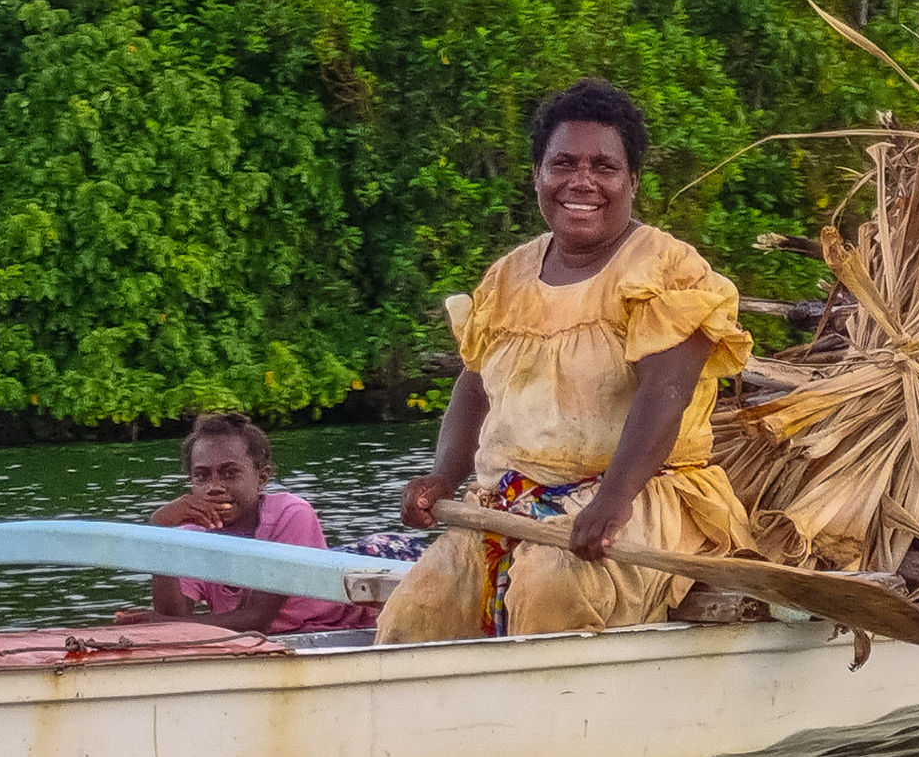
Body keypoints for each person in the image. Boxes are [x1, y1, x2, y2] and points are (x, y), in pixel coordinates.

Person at [376, 80, 753, 643]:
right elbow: (474, 389)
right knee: (417, 612)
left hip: (632, 500)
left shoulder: (667, 270)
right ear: (538, 176)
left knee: (552, 588)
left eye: (605, 167)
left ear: (632, 182)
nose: (583, 181)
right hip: (507, 504)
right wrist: (441, 478)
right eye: (564, 164)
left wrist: (612, 499)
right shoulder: (507, 277)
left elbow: (664, 394)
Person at [125, 413, 377, 635]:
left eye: (229, 473)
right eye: (201, 476)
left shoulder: (291, 514)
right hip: (256, 641)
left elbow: (257, 620)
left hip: (334, 628)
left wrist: (168, 625)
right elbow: (173, 616)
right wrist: (160, 532)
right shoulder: (193, 533)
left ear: (262, 477)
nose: (214, 487)